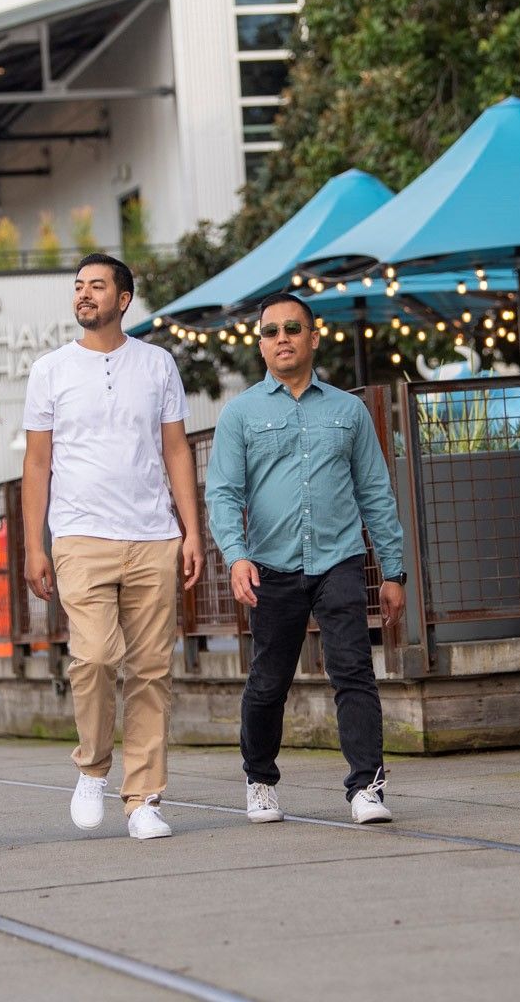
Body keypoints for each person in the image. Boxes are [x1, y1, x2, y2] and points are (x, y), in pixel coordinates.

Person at [205, 291, 407, 825]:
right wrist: (236, 556)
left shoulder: (348, 410)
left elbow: (375, 491)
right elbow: (223, 493)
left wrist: (393, 570)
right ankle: (260, 780)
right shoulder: (240, 414)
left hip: (339, 559)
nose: (282, 339)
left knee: (354, 671)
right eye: (271, 332)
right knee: (269, 680)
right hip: (270, 565)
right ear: (261, 345)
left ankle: (366, 788)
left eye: (292, 329)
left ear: (313, 338)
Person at [22, 253, 203, 841]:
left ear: (123, 299)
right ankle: (93, 766)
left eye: (97, 286)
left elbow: (176, 449)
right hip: (79, 536)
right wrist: (34, 545)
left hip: (153, 536)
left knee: (151, 669)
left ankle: (143, 798)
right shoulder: (49, 370)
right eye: (79, 285)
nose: (84, 294)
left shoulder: (157, 364)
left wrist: (192, 531)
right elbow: (37, 462)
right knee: (95, 657)